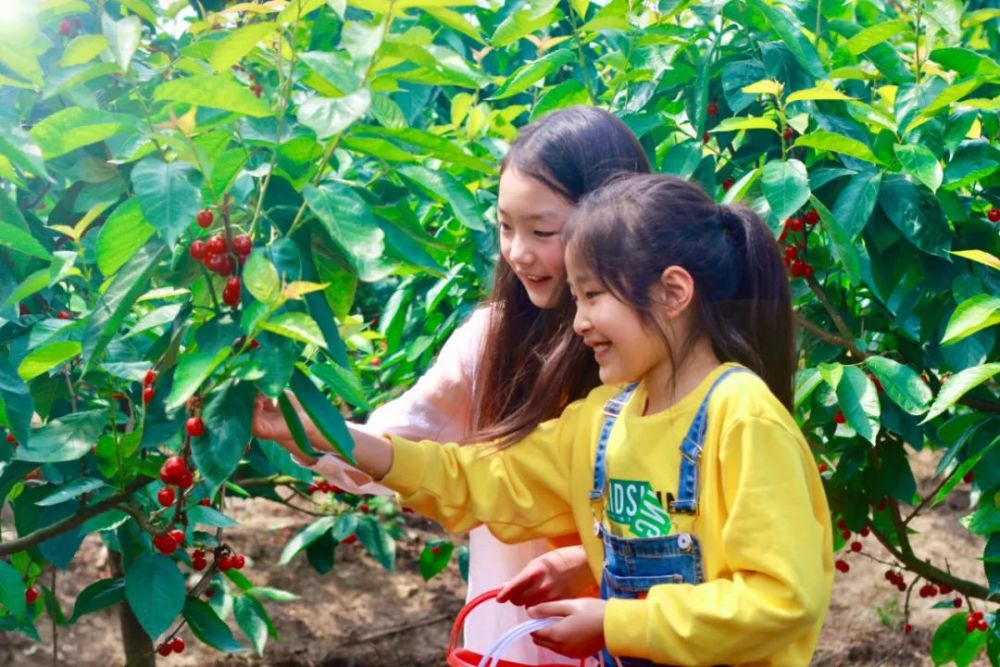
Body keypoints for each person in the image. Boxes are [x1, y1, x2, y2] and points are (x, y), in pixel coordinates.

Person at [258, 173, 834, 665]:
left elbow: (781, 598)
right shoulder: (603, 423)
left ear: (673, 292)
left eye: (592, 296)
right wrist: (331, 434)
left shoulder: (741, 418)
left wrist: (615, 623)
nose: (578, 322)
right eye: (576, 297)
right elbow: (476, 477)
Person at [264, 106, 650, 664]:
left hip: (639, 637)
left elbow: (700, 512)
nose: (517, 252)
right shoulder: (494, 342)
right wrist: (314, 431)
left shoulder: (661, 360)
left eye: (542, 231)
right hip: (513, 636)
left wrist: (599, 560)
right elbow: (418, 449)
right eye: (505, 226)